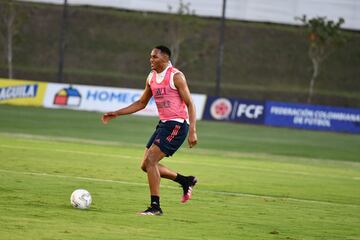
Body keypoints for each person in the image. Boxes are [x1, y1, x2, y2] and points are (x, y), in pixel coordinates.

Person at [101, 45, 198, 216]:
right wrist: (117, 112)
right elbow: (141, 103)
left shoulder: (176, 76)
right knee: (145, 165)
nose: (151, 60)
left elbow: (190, 103)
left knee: (151, 159)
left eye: (155, 57)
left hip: (177, 124)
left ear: (166, 58)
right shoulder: (151, 77)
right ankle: (185, 181)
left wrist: (193, 131)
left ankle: (155, 207)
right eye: (150, 57)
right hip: (164, 124)